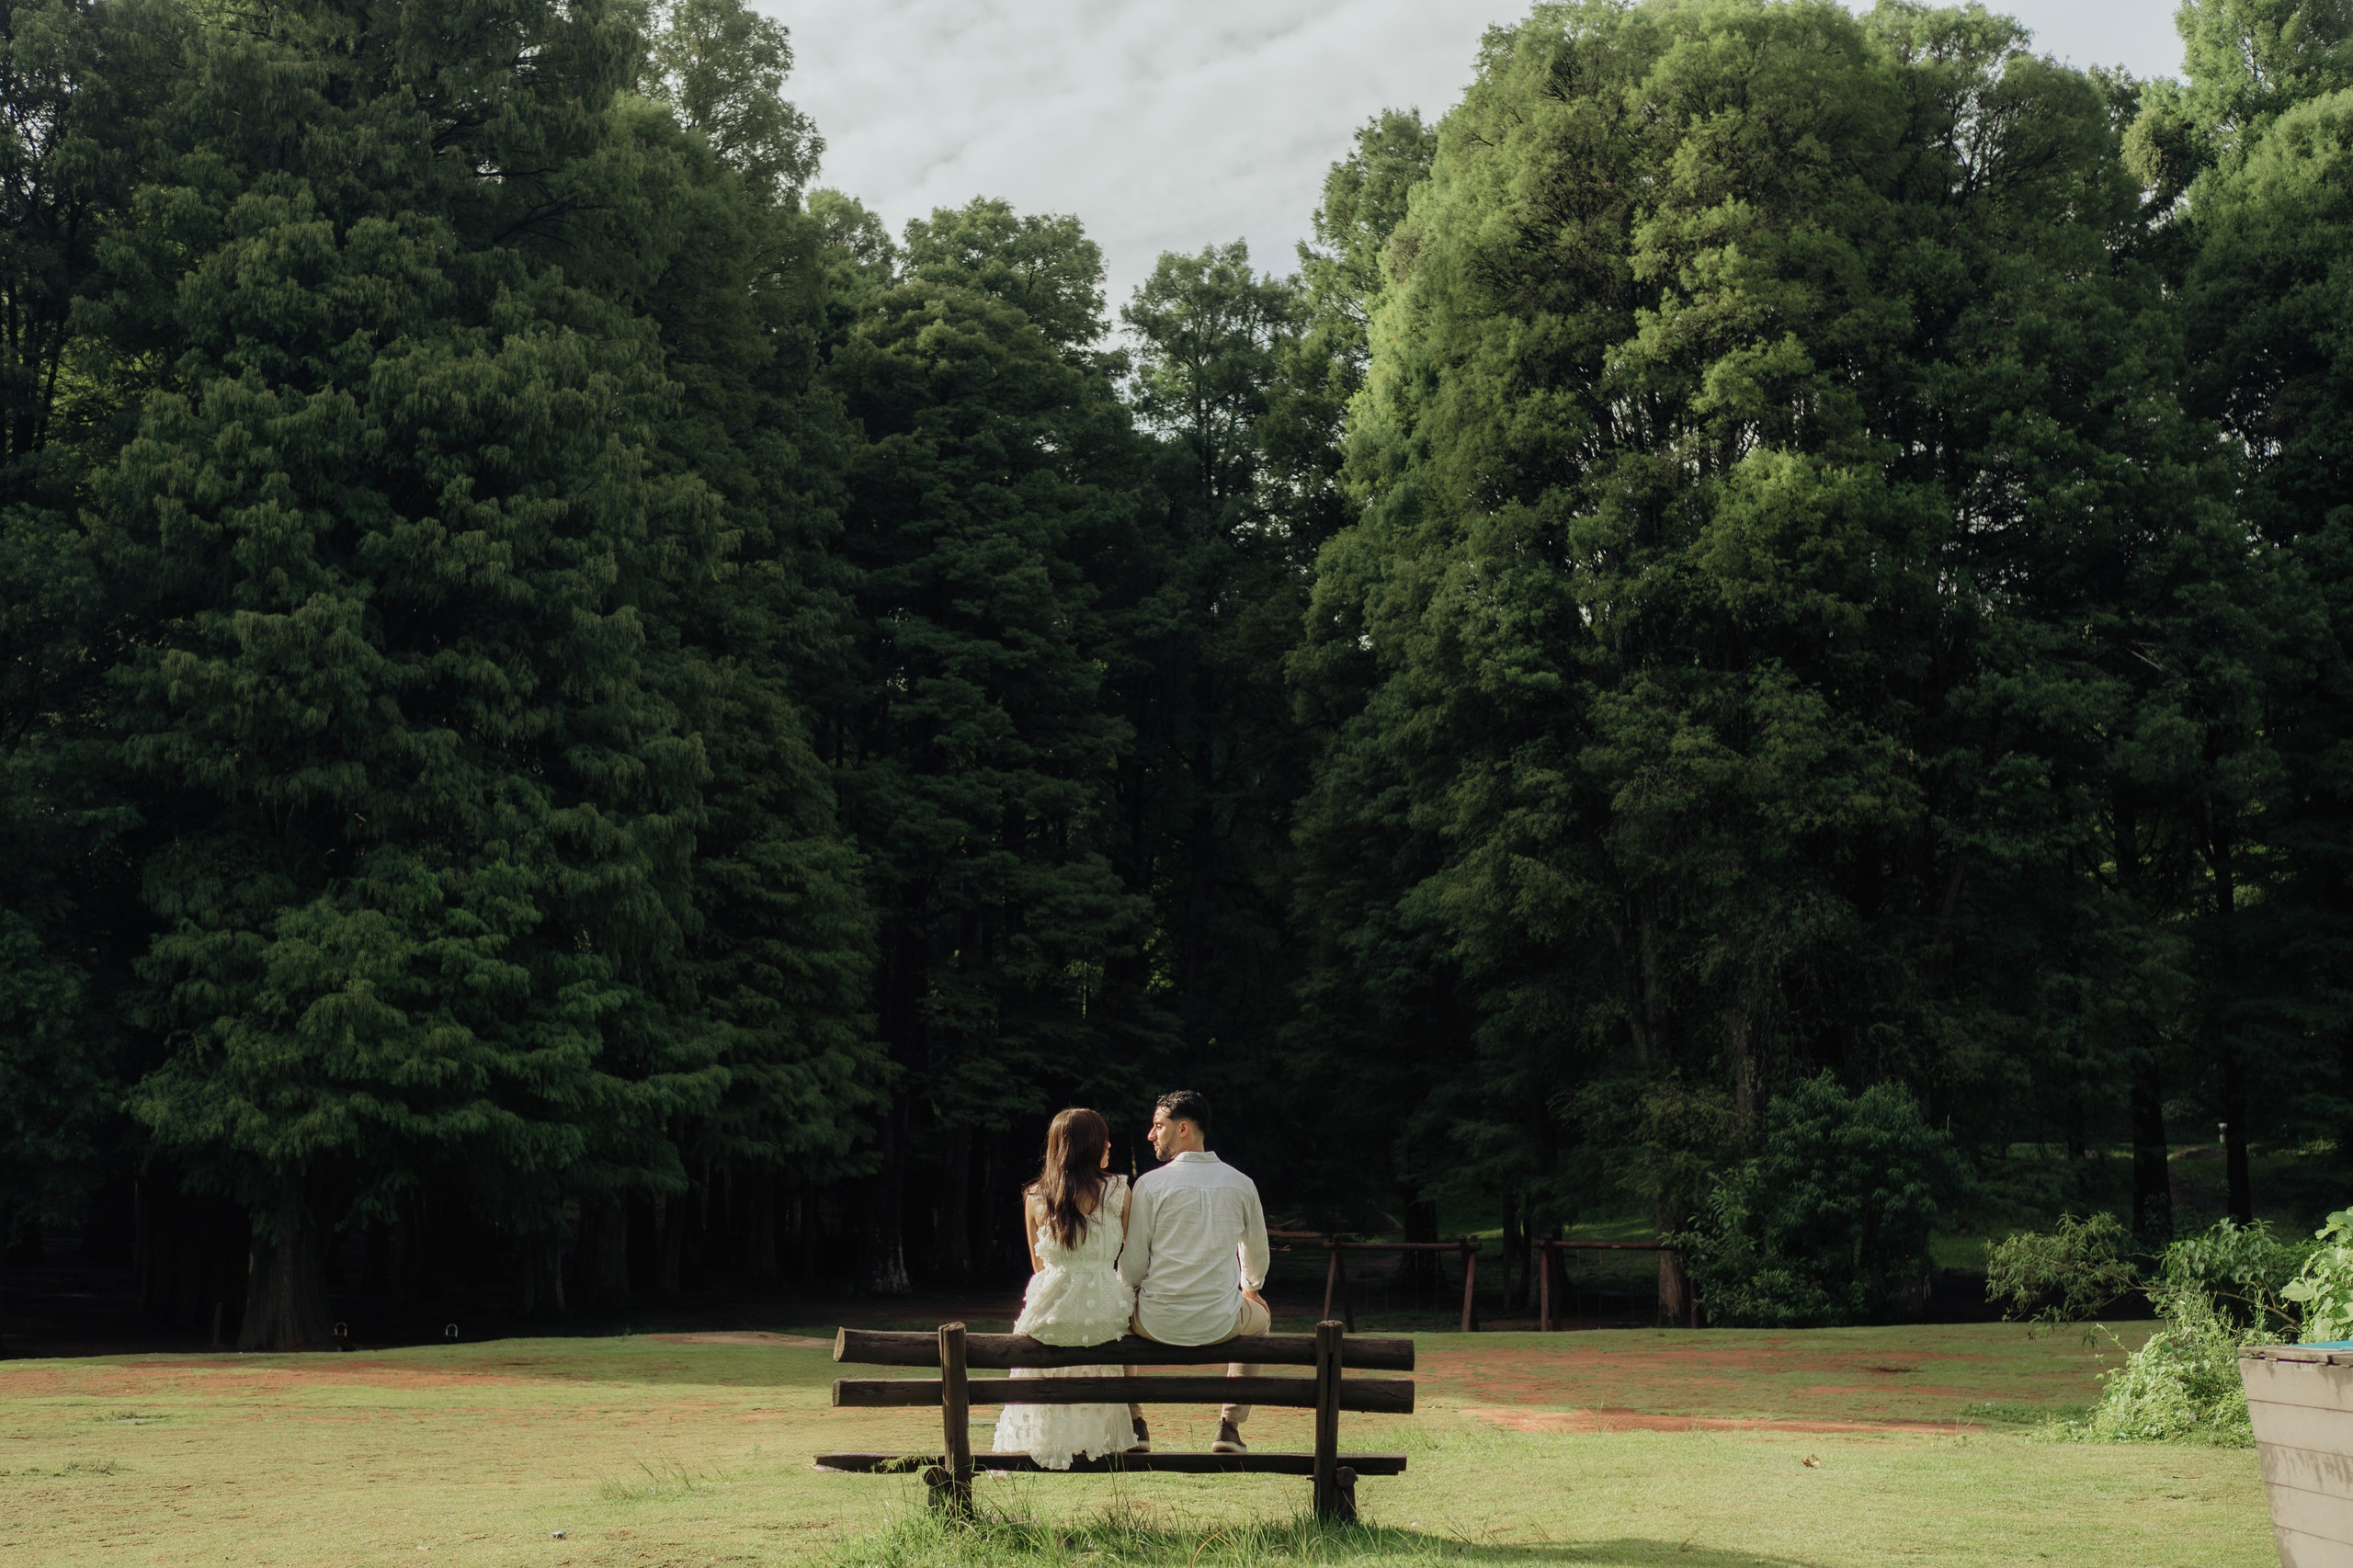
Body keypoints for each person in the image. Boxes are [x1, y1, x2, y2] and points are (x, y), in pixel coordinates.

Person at [1116, 1088, 1270, 1455]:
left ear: (1183, 1128)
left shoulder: (1150, 1185)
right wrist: (1251, 1287)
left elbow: (1133, 1266)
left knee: (1112, 1317)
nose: (1151, 1134)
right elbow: (1257, 1256)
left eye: (1158, 1126)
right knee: (1261, 1319)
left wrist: (1130, 1290)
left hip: (1155, 1322)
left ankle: (1136, 1424)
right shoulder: (1242, 1183)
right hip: (1221, 1322)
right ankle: (1229, 1427)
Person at [990, 1108, 1138, 1470]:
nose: (1110, 1144)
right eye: (1104, 1138)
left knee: (1039, 1341)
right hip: (1105, 1314)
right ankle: (1117, 1424)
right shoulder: (1119, 1190)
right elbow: (1132, 1257)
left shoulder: (1036, 1196)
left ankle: (1042, 1441)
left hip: (1050, 1315)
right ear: (1091, 1146)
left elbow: (1039, 1267)